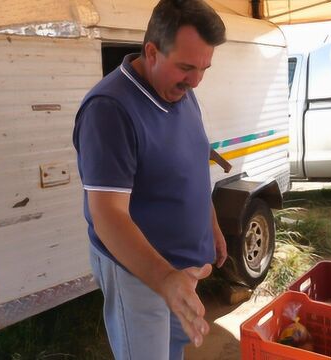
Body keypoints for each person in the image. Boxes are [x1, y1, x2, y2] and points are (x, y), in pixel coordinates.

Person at [72, 0, 227, 358]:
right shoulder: (109, 110)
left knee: (172, 351)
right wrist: (164, 279)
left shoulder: (181, 92)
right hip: (141, 275)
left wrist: (211, 227)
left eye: (205, 68)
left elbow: (192, 164)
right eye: (187, 67)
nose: (196, 81)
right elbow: (108, 214)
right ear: (151, 52)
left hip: (180, 272)